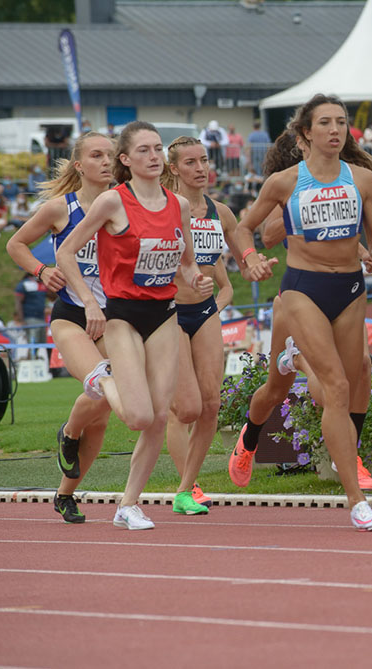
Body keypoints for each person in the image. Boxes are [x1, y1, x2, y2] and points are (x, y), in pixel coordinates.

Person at [233, 95, 372, 532]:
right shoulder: (285, 183)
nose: (335, 130)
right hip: (303, 288)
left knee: (352, 375)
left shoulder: (362, 180)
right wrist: (249, 259)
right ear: (305, 133)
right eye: (325, 123)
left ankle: (288, 367)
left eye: (341, 122)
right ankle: (357, 500)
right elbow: (245, 228)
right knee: (337, 386)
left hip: (350, 288)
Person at [56, 121, 213, 531]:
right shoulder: (112, 202)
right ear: (125, 159)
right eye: (143, 150)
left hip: (163, 313)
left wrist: (196, 278)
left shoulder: (176, 204)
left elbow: (187, 260)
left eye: (158, 148)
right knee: (139, 417)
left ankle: (128, 505)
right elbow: (67, 254)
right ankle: (104, 383)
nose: (154, 156)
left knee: (161, 416)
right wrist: (90, 302)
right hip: (122, 315)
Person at [5, 131, 123, 524]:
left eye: (111, 155)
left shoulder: (126, 205)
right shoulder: (60, 209)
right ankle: (69, 433)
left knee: (103, 413)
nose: (106, 161)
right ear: (79, 165)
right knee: (100, 382)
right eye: (96, 155)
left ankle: (64, 494)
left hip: (113, 318)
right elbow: (15, 244)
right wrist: (42, 270)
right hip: (72, 314)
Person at [161, 136, 245, 516]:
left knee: (211, 405)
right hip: (170, 312)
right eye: (191, 162)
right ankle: (187, 484)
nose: (201, 168)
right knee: (186, 408)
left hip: (205, 312)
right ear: (174, 168)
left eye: (205, 160)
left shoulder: (220, 212)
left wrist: (251, 260)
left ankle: (185, 489)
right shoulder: (162, 207)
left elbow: (229, 278)